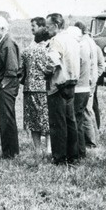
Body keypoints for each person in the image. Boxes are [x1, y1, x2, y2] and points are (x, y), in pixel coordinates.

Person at [44, 13, 80, 165]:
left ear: (56, 26)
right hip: (72, 84)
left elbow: (53, 61)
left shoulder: (56, 40)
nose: (46, 29)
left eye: (48, 26)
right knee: (70, 121)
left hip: (58, 86)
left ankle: (59, 157)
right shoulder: (72, 40)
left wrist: (46, 72)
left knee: (57, 123)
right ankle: (73, 156)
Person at [0, 16, 21, 158]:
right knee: (5, 118)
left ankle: (10, 152)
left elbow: (12, 69)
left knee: (6, 119)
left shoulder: (7, 44)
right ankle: (9, 150)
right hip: (3, 85)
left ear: (2, 28)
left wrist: (2, 85)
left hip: (5, 86)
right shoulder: (5, 42)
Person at [20, 24, 51, 152]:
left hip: (29, 89)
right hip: (45, 89)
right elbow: (49, 70)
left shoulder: (26, 51)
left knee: (32, 120)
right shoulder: (48, 52)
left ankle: (37, 149)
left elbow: (21, 71)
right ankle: (49, 148)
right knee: (47, 119)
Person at [69, 22, 93, 158]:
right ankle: (81, 151)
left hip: (78, 89)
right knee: (78, 121)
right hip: (84, 88)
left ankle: (78, 152)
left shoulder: (79, 49)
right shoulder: (85, 47)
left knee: (75, 122)